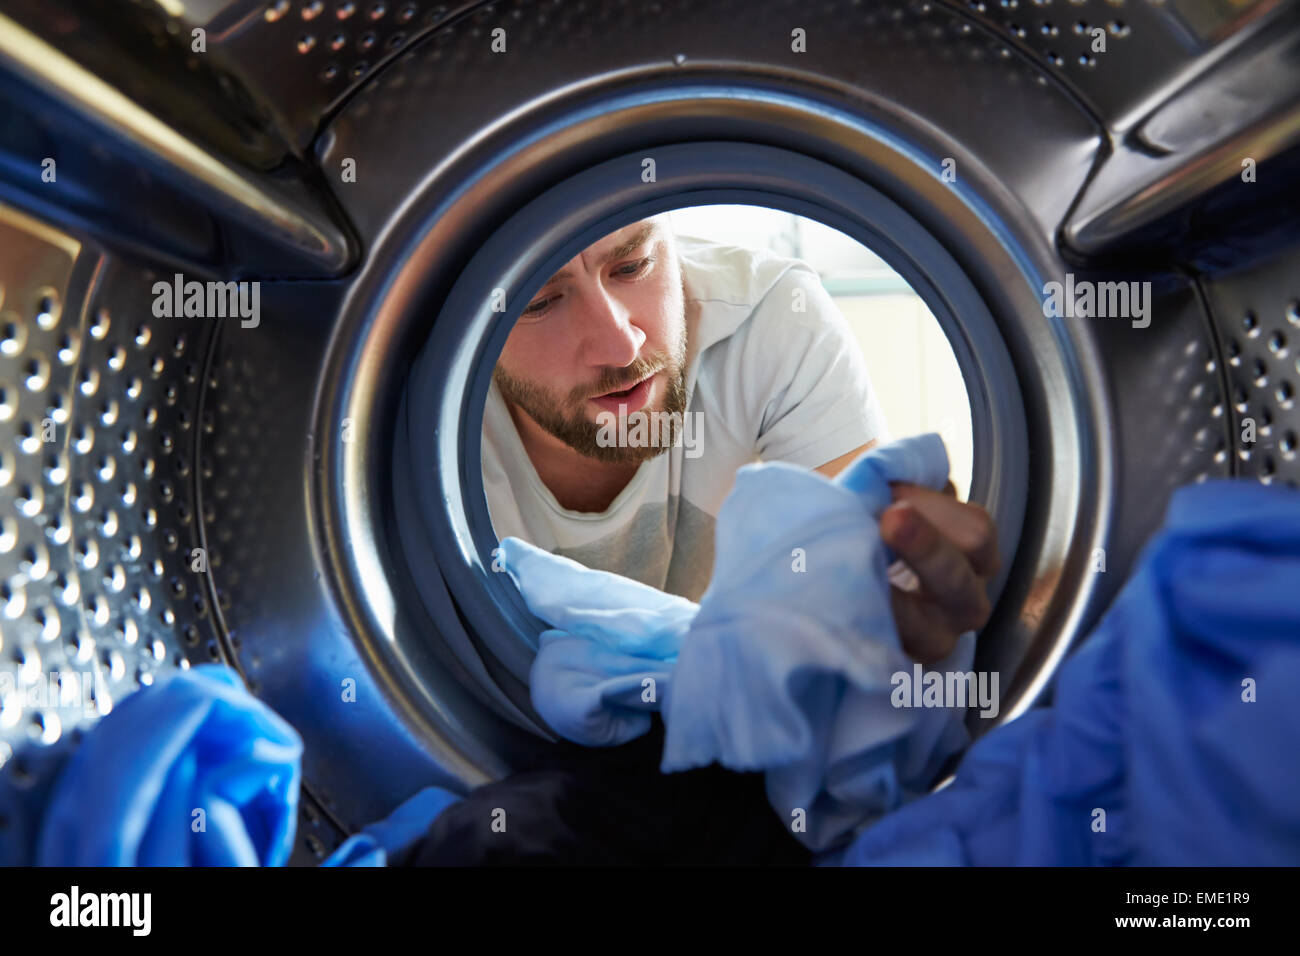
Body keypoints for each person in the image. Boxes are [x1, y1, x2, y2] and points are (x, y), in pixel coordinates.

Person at [482, 214, 997, 665]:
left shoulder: (773, 320)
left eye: (632, 266)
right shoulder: (423, 411)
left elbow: (861, 595)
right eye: (540, 302)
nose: (621, 347)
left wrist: (901, 606)